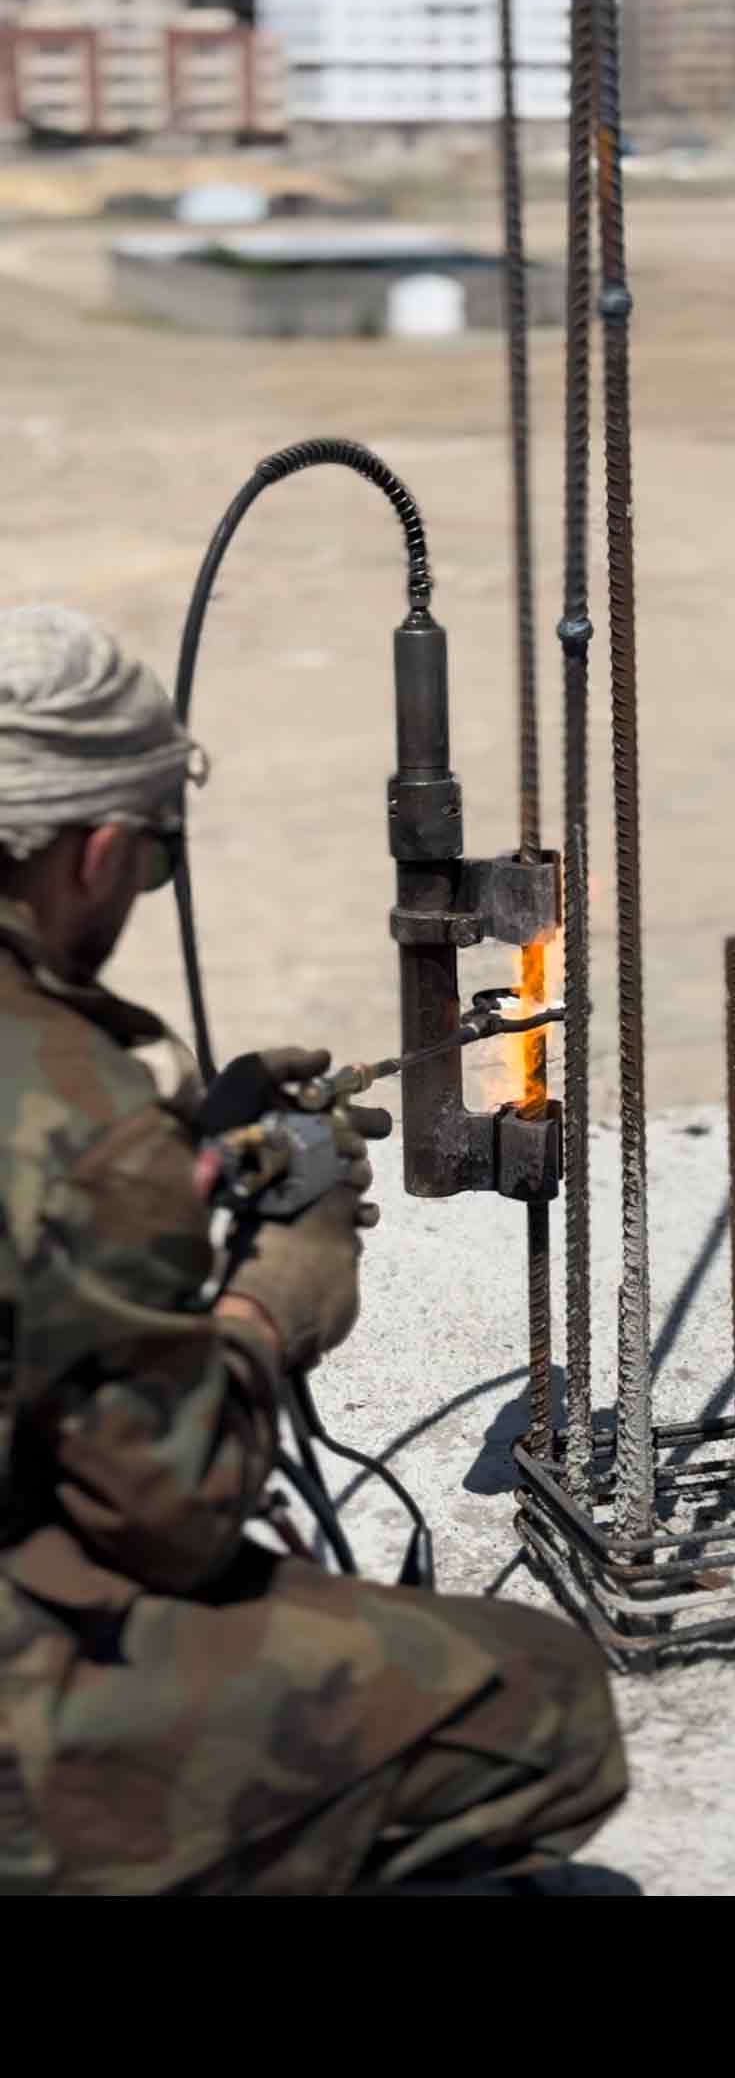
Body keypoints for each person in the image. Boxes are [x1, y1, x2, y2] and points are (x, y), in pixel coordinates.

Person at [0, 604, 627, 1896]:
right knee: (534, 1705)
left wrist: (168, 1163)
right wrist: (271, 1311)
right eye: (152, 859)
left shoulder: (79, 1114)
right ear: (97, 850)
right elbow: (168, 1519)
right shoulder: (78, 1119)